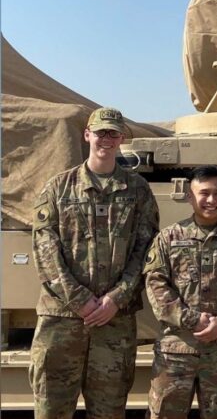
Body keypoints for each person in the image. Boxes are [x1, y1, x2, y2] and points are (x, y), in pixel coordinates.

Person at [30, 107, 159, 418]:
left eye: (114, 133)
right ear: (87, 135)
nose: (107, 139)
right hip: (62, 321)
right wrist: (81, 301)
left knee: (109, 410)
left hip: (114, 323)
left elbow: (146, 251)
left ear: (121, 139)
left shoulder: (138, 190)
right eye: (101, 132)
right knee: (51, 409)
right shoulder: (58, 188)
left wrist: (117, 298)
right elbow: (45, 251)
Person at [144, 165, 217, 419]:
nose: (211, 200)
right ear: (189, 196)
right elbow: (156, 285)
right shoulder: (169, 238)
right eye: (204, 193)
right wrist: (193, 320)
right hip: (176, 352)